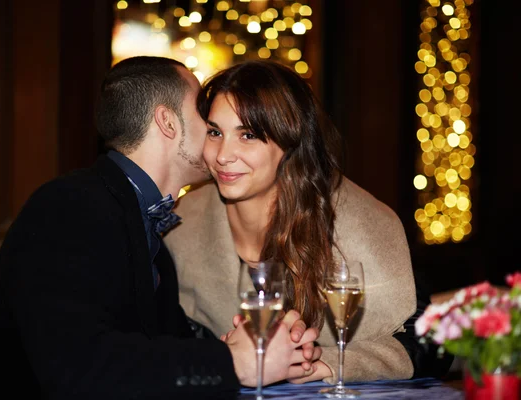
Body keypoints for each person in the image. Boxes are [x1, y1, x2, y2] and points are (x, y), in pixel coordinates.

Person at [0, 56, 322, 399]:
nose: (216, 127)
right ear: (167, 122)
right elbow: (75, 370)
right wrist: (235, 363)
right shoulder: (69, 206)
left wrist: (273, 352)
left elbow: (163, 351)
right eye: (205, 116)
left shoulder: (145, 224)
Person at [164, 59, 443, 384]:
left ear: (289, 141)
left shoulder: (359, 223)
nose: (223, 154)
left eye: (248, 135)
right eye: (215, 132)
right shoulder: (184, 219)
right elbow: (164, 337)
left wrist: (325, 365)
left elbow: (430, 343)